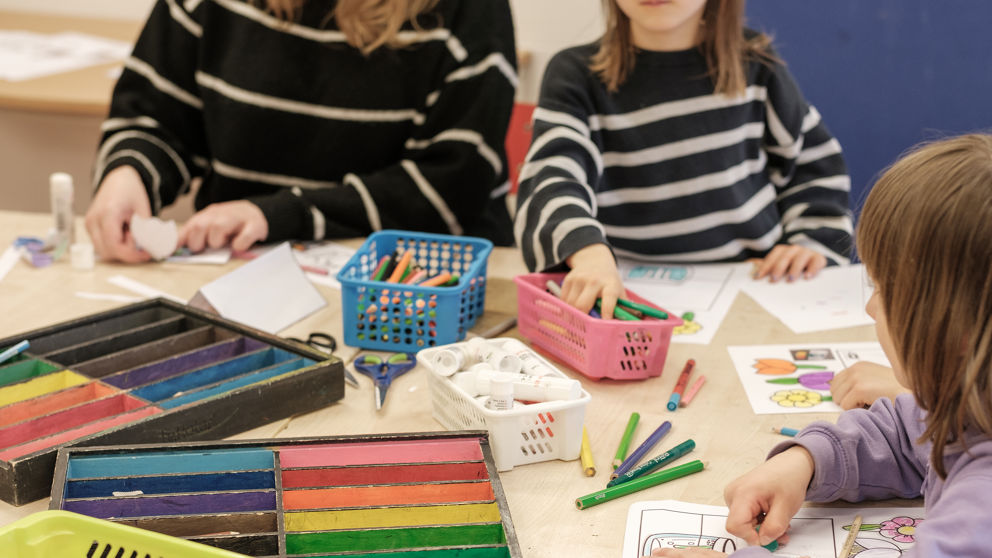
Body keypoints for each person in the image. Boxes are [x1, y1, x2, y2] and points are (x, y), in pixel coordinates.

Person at [652, 133, 992, 557]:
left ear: (956, 333)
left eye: (886, 290)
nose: (870, 307)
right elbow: (906, 434)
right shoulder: (970, 406)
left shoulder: (982, 510)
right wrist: (806, 462)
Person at [85, 0, 517, 263]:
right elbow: (156, 116)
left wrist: (276, 215)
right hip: (240, 282)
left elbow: (450, 186)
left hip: (412, 298)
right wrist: (129, 172)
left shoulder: (468, 11)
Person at [513, 0, 852, 319]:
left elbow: (814, 163)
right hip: (627, 291)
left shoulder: (757, 64)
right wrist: (588, 254)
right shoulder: (574, 74)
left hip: (757, 285)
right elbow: (552, 175)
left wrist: (813, 239)